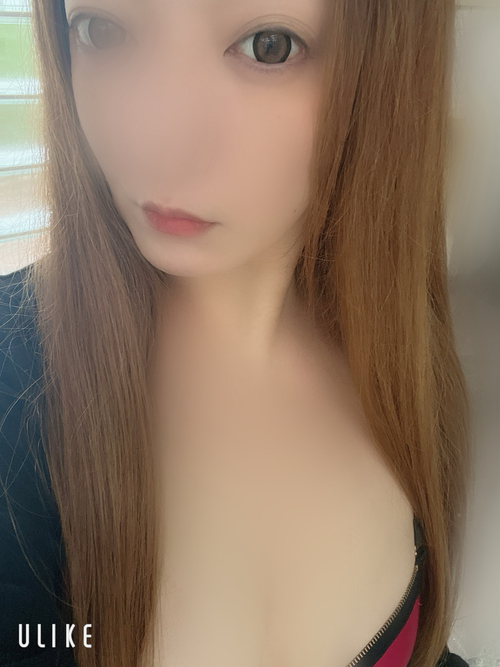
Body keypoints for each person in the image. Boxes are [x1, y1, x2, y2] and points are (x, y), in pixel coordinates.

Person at [0, 0, 472, 665]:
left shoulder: (403, 353)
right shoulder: (15, 390)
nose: (158, 145)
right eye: (103, 31)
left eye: (268, 46)